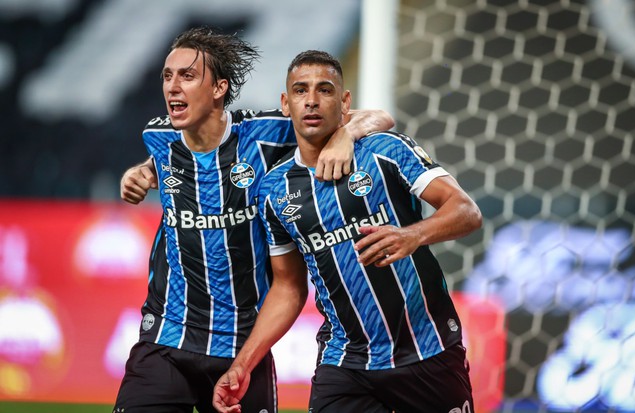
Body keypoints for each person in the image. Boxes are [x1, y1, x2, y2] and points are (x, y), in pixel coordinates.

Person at [114, 27, 394, 413]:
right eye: (168, 76)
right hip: (167, 335)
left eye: (187, 76)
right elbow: (169, 162)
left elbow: (381, 116)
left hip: (242, 347)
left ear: (218, 89)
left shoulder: (266, 133)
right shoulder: (158, 136)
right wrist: (142, 171)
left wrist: (346, 135)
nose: (173, 87)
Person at [213, 50, 482, 413]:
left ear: (344, 102)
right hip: (345, 363)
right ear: (285, 103)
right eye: (300, 90)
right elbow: (289, 288)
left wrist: (411, 235)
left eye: (324, 90)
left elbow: (466, 211)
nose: (311, 100)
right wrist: (242, 365)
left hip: (427, 349)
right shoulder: (273, 190)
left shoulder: (386, 150)